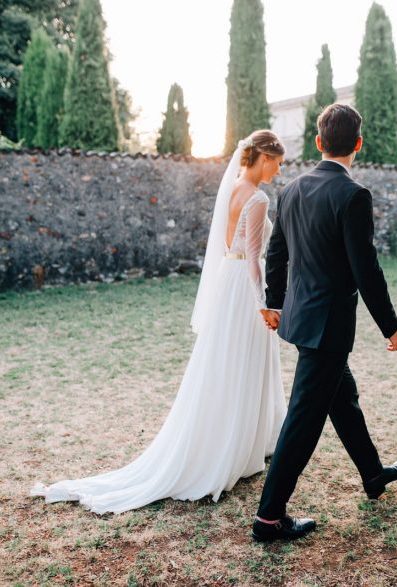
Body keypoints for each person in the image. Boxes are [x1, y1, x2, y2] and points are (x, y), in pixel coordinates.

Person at [30, 130, 288, 514]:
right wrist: (263, 304)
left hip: (226, 285)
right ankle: (238, 446)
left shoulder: (232, 189)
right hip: (245, 290)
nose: (278, 171)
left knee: (224, 364)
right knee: (243, 365)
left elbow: (227, 249)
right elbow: (253, 260)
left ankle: (233, 439)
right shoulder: (258, 198)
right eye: (277, 163)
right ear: (264, 157)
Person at [251, 104, 397, 542]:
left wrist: (275, 302)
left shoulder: (291, 189)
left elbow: (276, 254)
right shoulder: (353, 195)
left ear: (319, 141)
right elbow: (366, 271)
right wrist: (390, 326)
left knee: (344, 398)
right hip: (328, 328)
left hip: (303, 318)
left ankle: (373, 475)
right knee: (302, 422)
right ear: (358, 144)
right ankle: (268, 519)